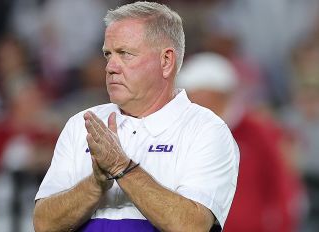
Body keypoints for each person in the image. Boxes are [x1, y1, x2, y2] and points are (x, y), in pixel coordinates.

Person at [33, 2, 239, 232]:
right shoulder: (82, 124)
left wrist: (123, 167)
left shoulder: (205, 130)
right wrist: (94, 185)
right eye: (107, 54)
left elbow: (192, 226)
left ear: (166, 61)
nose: (110, 67)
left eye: (125, 54)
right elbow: (43, 224)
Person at [177, 52, 304, 232]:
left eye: (200, 95)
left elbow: (283, 185)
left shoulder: (258, 131)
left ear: (221, 94)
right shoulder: (182, 131)